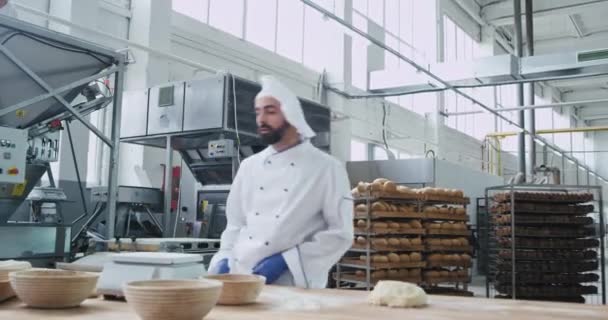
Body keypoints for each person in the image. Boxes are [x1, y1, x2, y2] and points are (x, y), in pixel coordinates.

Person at [207, 75, 353, 288]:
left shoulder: (327, 168)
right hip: (241, 277)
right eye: (258, 112)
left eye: (270, 111)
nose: (261, 120)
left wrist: (287, 261)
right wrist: (223, 259)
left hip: (292, 283)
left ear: (291, 114)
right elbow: (235, 224)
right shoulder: (249, 166)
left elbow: (341, 233)